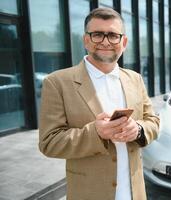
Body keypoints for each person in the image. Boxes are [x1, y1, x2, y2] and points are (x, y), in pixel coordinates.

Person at [38, 7, 159, 200]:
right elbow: (49, 143)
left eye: (112, 35)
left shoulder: (135, 79)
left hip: (135, 193)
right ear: (86, 40)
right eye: (97, 35)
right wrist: (96, 133)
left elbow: (153, 121)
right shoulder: (57, 82)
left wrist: (138, 129)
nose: (105, 41)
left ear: (124, 42)